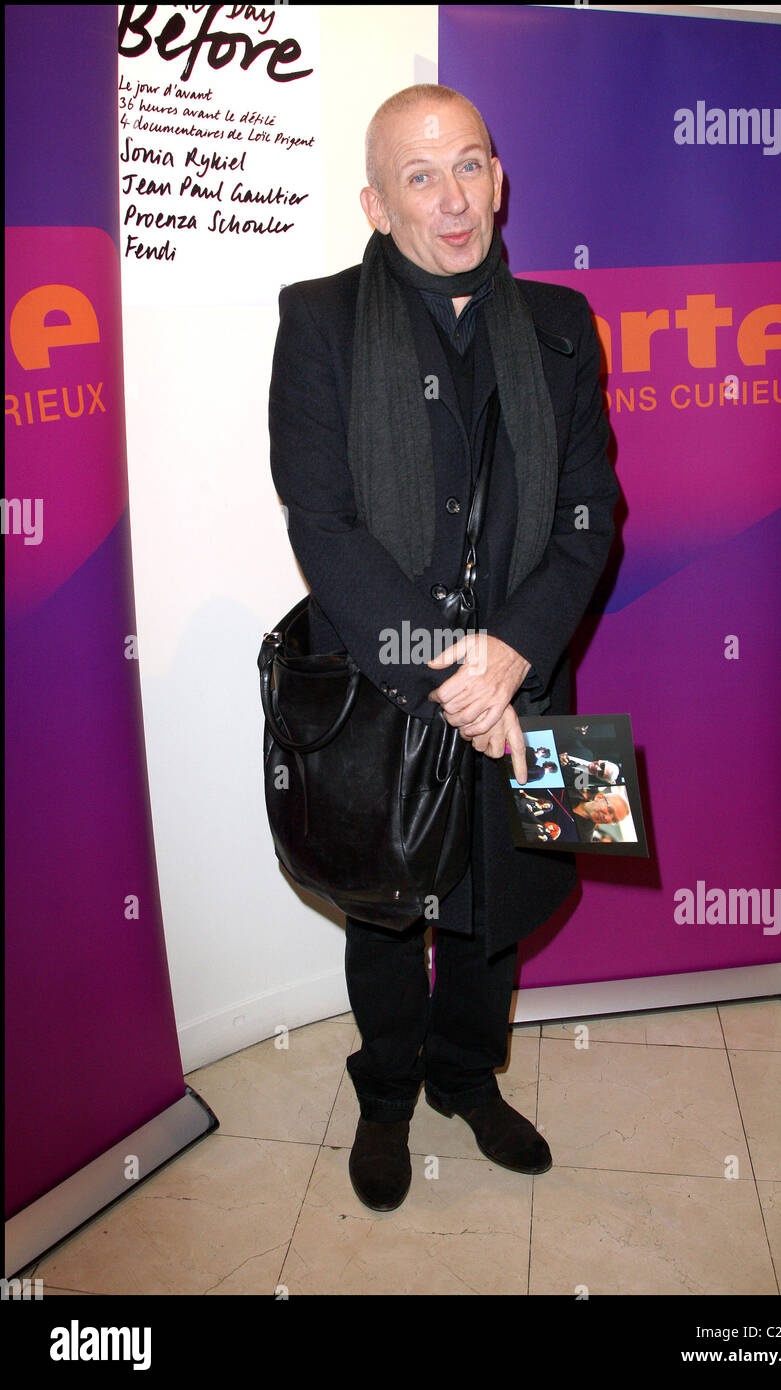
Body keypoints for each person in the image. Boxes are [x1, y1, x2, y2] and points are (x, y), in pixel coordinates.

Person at [268, 83, 619, 1212]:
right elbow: (320, 521)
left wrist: (512, 653)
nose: (452, 197)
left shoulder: (564, 323)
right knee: (381, 903)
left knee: (505, 906)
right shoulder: (314, 318)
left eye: (469, 164)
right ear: (375, 203)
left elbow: (588, 513)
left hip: (539, 675)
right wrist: (452, 673)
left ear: (499, 176)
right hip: (382, 681)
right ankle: (384, 1091)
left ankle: (468, 1079)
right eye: (418, 175)